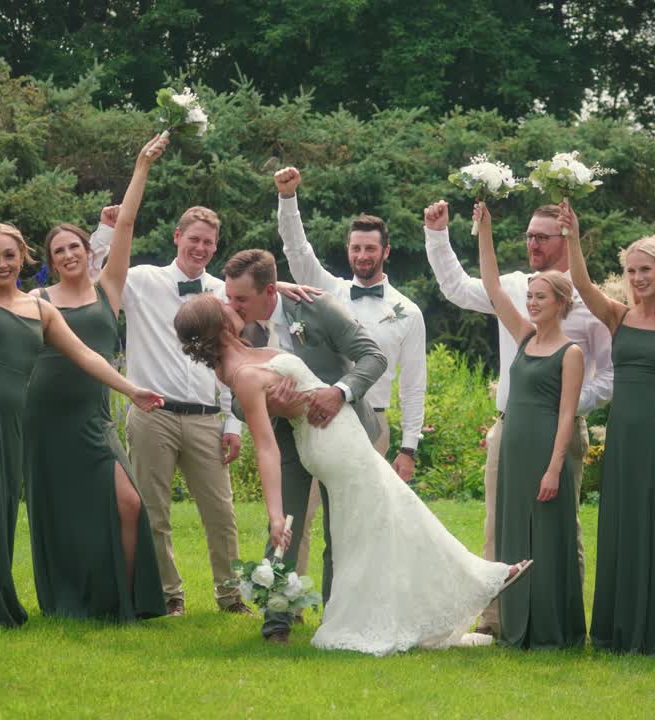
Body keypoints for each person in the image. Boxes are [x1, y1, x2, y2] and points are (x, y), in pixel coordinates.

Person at [174, 292, 533, 655]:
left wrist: (278, 283)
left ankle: (400, 604)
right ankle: (478, 579)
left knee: (373, 523)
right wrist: (275, 515)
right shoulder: (244, 374)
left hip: (335, 433)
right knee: (395, 513)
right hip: (331, 441)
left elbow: (256, 293)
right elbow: (266, 447)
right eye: (224, 305)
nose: (232, 303)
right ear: (217, 327)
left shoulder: (237, 354)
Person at [0, 143, 162, 628]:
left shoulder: (41, 309)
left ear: (22, 257)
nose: (3, 263)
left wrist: (130, 390)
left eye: (10, 255)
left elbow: (88, 355)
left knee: (1, 513)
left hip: (13, 419)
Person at [424, 199, 613, 637]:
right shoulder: (520, 313)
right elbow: (483, 286)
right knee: (500, 525)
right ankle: (497, 620)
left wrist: (561, 405)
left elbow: (606, 380)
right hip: (511, 429)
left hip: (560, 430)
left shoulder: (587, 308)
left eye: (540, 236)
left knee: (560, 527)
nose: (531, 243)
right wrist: (479, 230)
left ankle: (561, 620)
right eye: (527, 235)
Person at [22, 134, 169, 621]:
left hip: (92, 418)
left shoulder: (109, 288)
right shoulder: (38, 299)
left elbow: (125, 222)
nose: (67, 255)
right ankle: (73, 600)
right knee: (63, 516)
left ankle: (123, 601)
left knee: (128, 502)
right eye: (58, 250)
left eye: (74, 247)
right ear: (51, 259)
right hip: (44, 417)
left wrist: (141, 165)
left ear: (89, 250)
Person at [89, 206, 250, 617]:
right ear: (177, 237)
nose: (200, 247)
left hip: (206, 417)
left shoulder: (222, 293)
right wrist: (106, 231)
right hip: (152, 414)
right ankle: (167, 595)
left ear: (216, 247)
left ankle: (231, 596)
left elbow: (233, 362)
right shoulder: (143, 280)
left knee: (221, 513)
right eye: (194, 239)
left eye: (209, 242)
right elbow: (93, 278)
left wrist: (233, 422)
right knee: (153, 511)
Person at [220, 248, 386, 644]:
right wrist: (270, 403)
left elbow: (373, 356)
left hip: (339, 430)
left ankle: (337, 617)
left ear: (270, 291)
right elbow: (238, 405)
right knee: (284, 525)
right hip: (285, 437)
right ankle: (277, 622)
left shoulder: (318, 309)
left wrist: (339, 392)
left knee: (341, 529)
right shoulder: (232, 324)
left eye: (241, 298)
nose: (232, 305)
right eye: (229, 297)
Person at [562, 200, 655, 656]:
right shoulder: (618, 316)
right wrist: (573, 237)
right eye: (631, 270)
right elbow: (582, 286)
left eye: (645, 269)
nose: (638, 278)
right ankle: (618, 631)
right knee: (622, 530)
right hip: (622, 440)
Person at [271, 166, 427, 581]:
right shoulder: (328, 291)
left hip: (370, 423)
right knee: (294, 516)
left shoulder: (408, 312)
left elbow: (414, 385)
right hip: (312, 415)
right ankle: (284, 601)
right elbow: (297, 252)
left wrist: (408, 448)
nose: (362, 256)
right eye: (356, 248)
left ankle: (341, 604)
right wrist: (288, 200)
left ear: (386, 251)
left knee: (353, 524)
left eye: (370, 249)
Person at [473, 202, 586, 649]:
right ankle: (512, 624)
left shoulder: (571, 352)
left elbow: (566, 414)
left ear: (560, 303)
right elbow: (492, 286)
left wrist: (555, 468)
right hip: (513, 448)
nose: (531, 302)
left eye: (540, 297)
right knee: (511, 532)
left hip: (546, 451)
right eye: (530, 297)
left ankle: (553, 628)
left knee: (551, 537)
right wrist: (485, 231)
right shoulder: (523, 336)